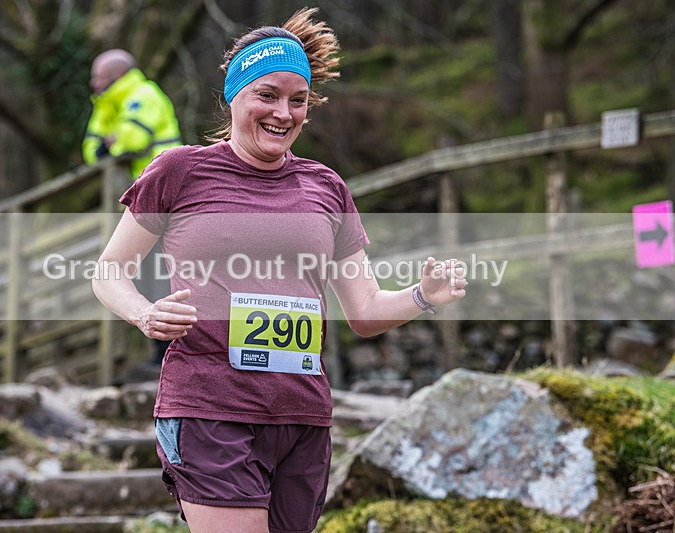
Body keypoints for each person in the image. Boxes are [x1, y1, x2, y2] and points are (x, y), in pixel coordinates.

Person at [92, 8, 467, 533]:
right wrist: (144, 314)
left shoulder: (326, 187)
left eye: (298, 100)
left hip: (301, 417)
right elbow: (109, 271)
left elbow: (363, 311)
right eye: (266, 96)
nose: (283, 113)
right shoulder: (180, 171)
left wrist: (423, 296)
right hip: (209, 406)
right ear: (233, 95)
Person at [82, 48, 182, 178]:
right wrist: (110, 145)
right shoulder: (104, 104)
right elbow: (90, 150)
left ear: (119, 74)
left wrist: (108, 147)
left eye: (99, 77)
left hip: (162, 178)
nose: (93, 83)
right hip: (132, 184)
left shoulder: (145, 94)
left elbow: (133, 141)